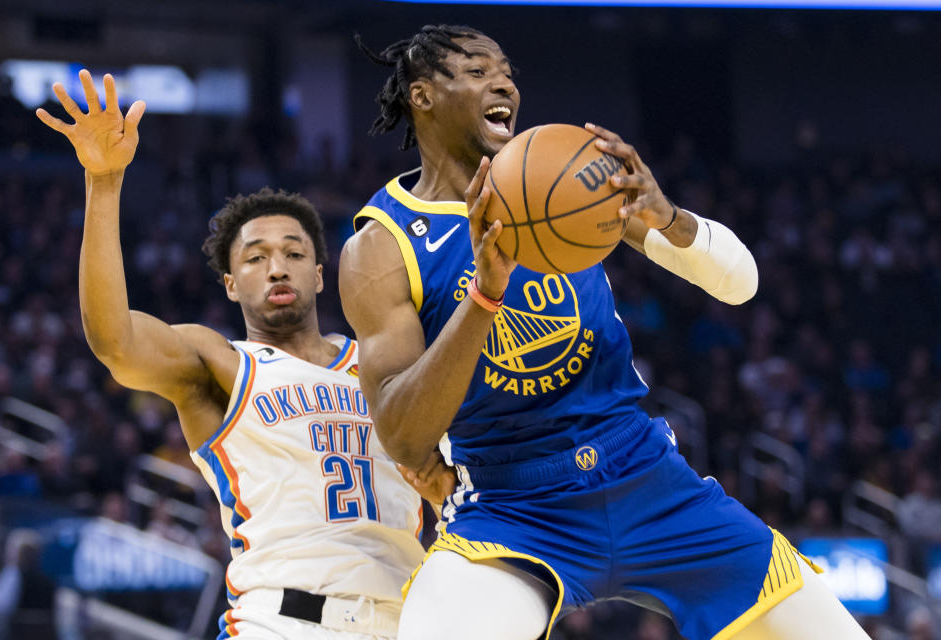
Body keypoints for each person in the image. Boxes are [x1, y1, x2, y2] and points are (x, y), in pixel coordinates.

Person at [340, 25, 871, 640]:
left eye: (506, 70)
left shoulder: (568, 177)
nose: (503, 82)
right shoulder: (382, 245)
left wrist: (666, 217)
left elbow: (741, 283)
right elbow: (404, 437)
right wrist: (485, 296)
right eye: (477, 71)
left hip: (645, 473)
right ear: (422, 95)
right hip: (513, 503)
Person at [36, 70, 452, 640]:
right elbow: (115, 341)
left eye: (293, 252)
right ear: (230, 284)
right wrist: (104, 184)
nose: (277, 266)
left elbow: (458, 482)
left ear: (321, 275)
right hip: (280, 621)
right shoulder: (220, 364)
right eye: (255, 257)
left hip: (411, 620)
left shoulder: (390, 366)